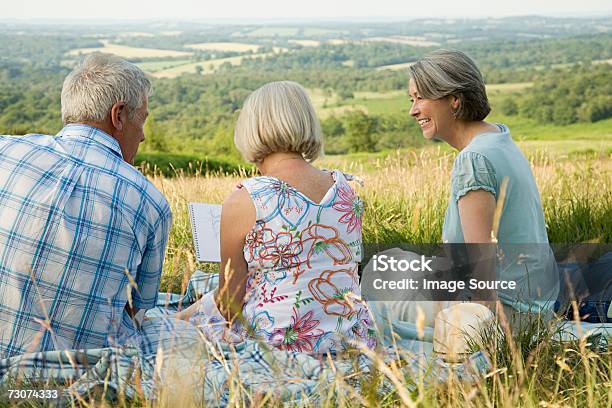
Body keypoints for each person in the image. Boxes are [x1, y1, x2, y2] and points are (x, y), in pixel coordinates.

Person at [178, 81, 376, 353]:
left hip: (279, 347)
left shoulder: (247, 197)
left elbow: (229, 304)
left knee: (175, 327)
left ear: (252, 129)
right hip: (353, 342)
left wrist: (185, 318)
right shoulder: (346, 190)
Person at [0, 53, 172, 359]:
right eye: (142, 118)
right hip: (77, 382)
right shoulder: (151, 202)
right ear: (118, 115)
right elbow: (136, 310)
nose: (143, 135)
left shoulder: (6, 151)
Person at [406, 49, 558, 318]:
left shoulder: (474, 159)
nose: (413, 110)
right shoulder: (498, 136)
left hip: (509, 313)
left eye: (421, 98)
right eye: (411, 99)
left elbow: (481, 278)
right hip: (536, 304)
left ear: (453, 99)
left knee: (378, 289)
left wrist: (480, 334)